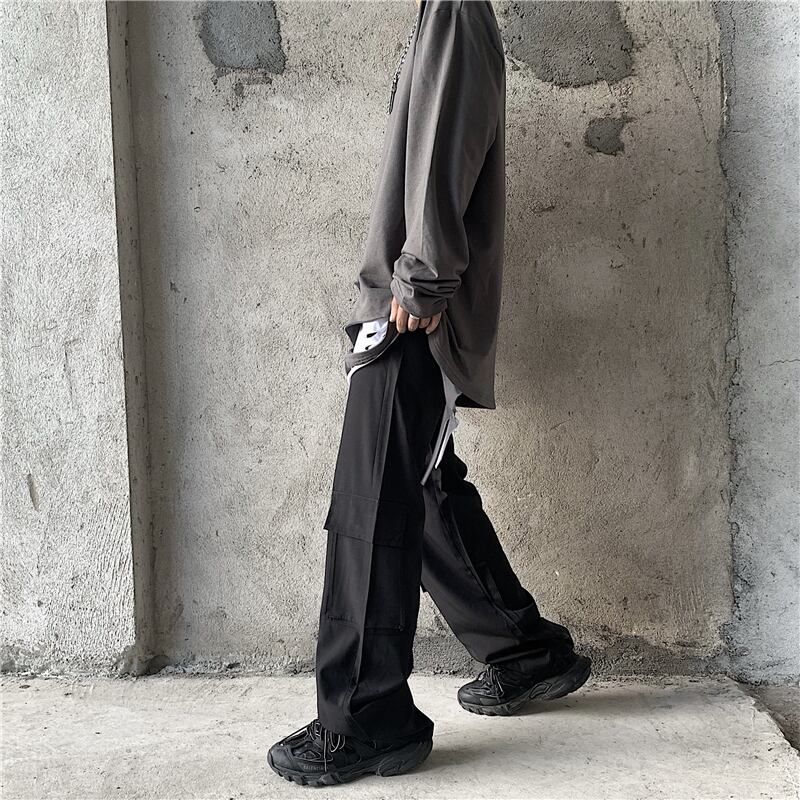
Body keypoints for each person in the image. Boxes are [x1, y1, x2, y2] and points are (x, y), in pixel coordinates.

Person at [267, 0, 590, 786]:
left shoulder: (451, 9)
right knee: (424, 486)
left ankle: (366, 718)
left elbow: (448, 142)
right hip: (409, 301)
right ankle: (524, 651)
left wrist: (421, 280)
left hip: (413, 308)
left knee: (370, 506)